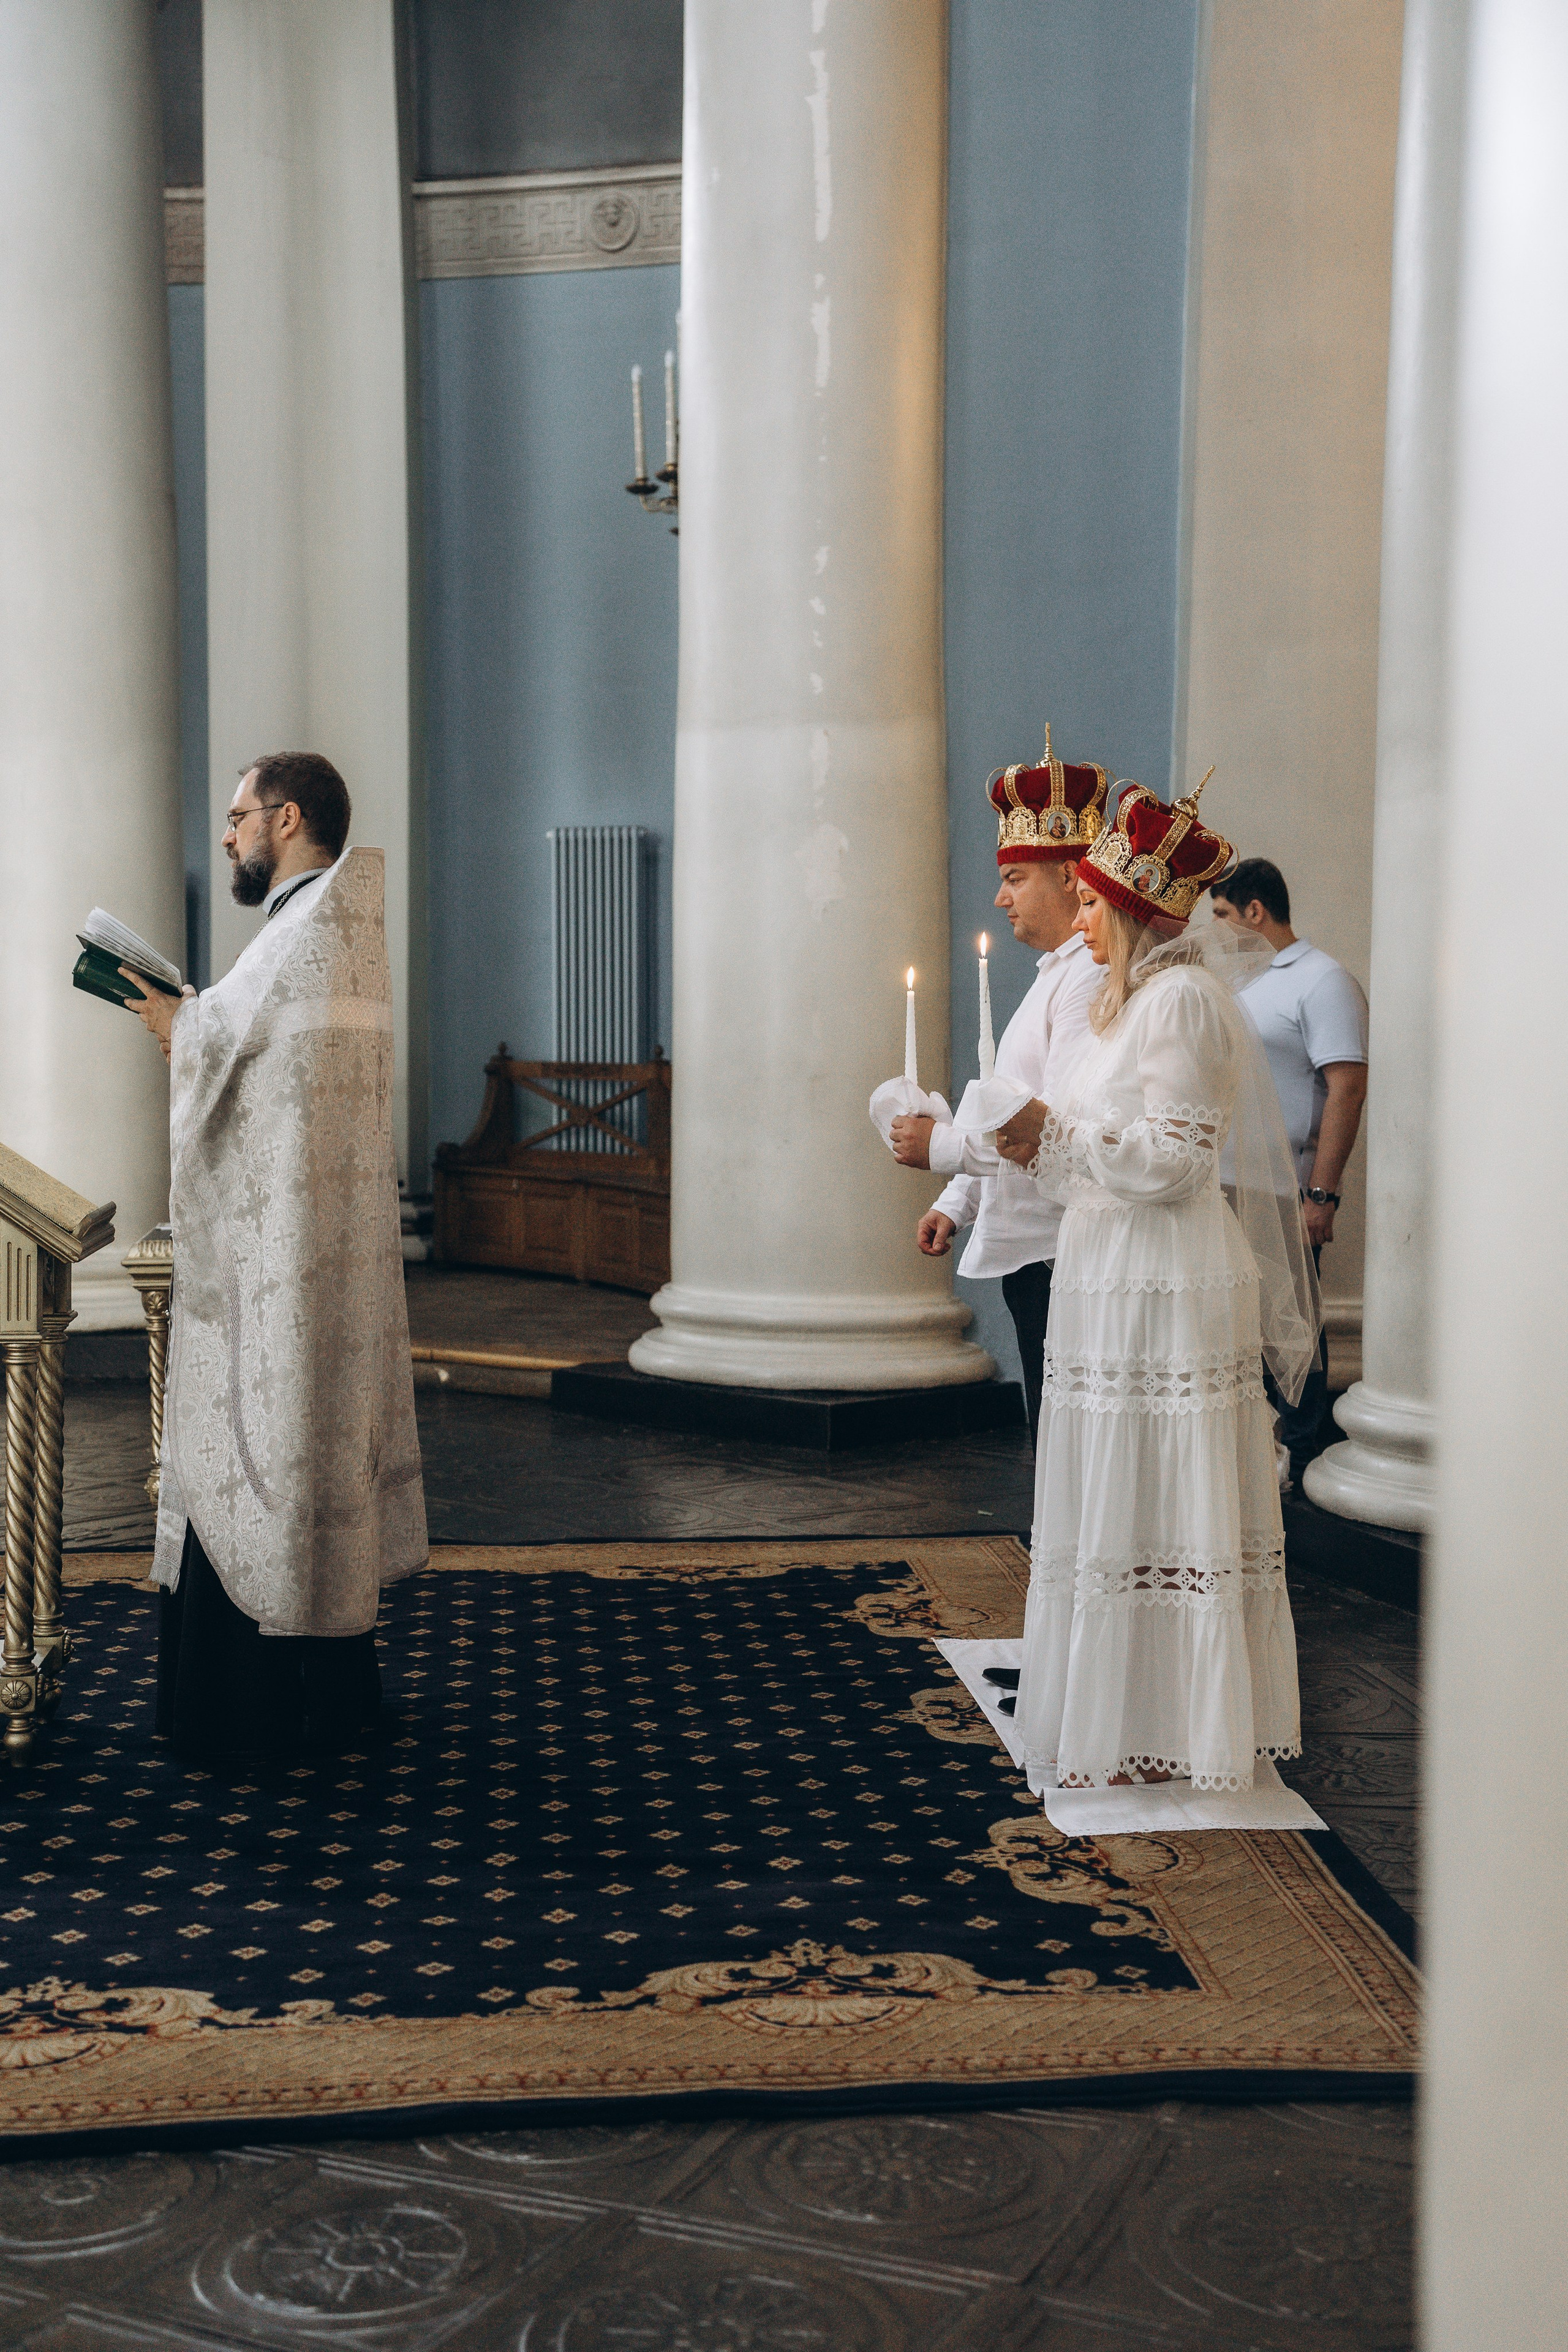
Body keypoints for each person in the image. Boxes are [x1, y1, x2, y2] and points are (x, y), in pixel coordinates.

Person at [993, 776, 1321, 1792]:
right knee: (1115, 1492)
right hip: (1111, 1267)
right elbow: (1101, 1148)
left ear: (1134, 910)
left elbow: (1175, 1160)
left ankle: (1181, 1720)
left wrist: (1055, 1133)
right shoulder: (1120, 1001)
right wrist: (1031, 1141)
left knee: (1163, 1493)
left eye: (1090, 901)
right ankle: (1126, 1708)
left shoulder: (1178, 999)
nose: (1078, 917)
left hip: (1167, 1277)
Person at [123, 752, 427, 1760]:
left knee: (261, 1455)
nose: (227, 836)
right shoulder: (329, 925)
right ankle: (321, 1697)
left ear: (286, 819)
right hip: (305, 1249)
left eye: (238, 816)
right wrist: (193, 1027)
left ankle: (249, 1714)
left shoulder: (306, 933)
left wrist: (175, 1022)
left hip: (279, 1268)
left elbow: (233, 1052)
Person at [890, 736, 1105, 1442]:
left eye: (1015, 877)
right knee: (1048, 1423)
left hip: (1061, 1249)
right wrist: (957, 1200)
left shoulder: (1087, 978)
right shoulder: (1058, 972)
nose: (999, 896)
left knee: (1065, 1429)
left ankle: (1060, 1553)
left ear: (1072, 876)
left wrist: (945, 1148)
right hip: (1032, 1243)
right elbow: (1011, 1099)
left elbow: (1060, 1128)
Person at [1209, 859, 1368, 1483]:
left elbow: (1347, 1087)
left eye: (1222, 916)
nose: (1217, 930)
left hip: (1283, 1186)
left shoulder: (1321, 978)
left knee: (1291, 1322)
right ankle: (1253, 1450)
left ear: (1255, 911)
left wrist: (1321, 1194)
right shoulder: (1247, 982)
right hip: (1225, 1182)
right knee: (1237, 1321)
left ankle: (1300, 1452)